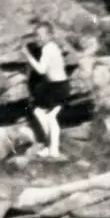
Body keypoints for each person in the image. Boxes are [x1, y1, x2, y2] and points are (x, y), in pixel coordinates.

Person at [23, 22, 70, 159]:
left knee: (49, 116)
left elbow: (41, 70)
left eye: (40, 36)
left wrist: (28, 56)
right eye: (35, 36)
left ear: (49, 35)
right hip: (57, 86)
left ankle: (53, 149)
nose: (37, 39)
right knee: (42, 113)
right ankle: (50, 148)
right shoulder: (52, 47)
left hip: (58, 87)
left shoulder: (48, 48)